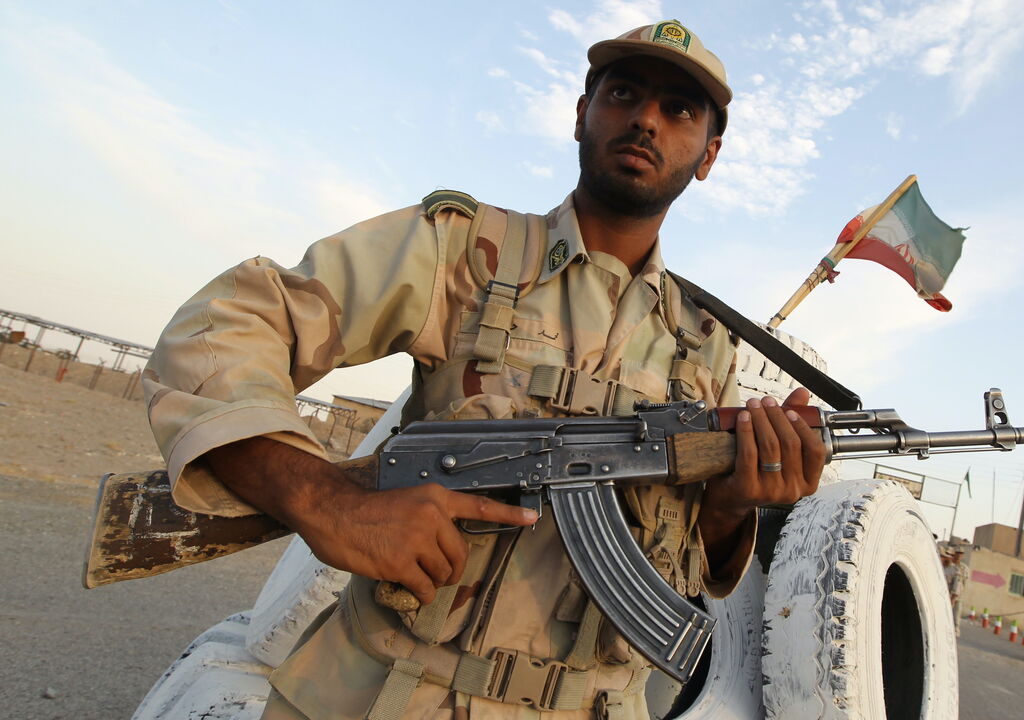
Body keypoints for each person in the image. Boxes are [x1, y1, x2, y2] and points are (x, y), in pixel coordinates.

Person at [142, 20, 826, 720]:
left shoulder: (705, 345)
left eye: (679, 109)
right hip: (385, 696)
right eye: (624, 93)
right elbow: (225, 324)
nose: (646, 118)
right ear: (581, 115)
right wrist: (324, 499)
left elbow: (682, 554)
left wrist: (735, 504)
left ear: (708, 155)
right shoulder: (467, 253)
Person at [944, 548, 970, 636]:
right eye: (957, 553)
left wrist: (955, 595)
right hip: (947, 595)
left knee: (956, 615)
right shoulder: (949, 567)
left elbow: (963, 582)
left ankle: (955, 631)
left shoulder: (964, 568)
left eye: (961, 553)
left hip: (958, 596)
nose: (959, 555)